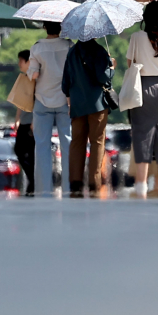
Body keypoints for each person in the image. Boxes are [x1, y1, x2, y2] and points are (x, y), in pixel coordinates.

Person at [125, 1, 158, 197]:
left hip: (142, 88)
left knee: (142, 135)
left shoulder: (136, 37)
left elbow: (130, 64)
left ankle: (141, 185)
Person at [62, 38, 114, 196]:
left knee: (77, 142)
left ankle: (75, 182)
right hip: (97, 104)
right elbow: (103, 77)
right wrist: (111, 67)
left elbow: (65, 83)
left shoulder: (72, 52)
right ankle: (94, 181)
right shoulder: (99, 51)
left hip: (77, 105)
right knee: (97, 142)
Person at [27, 21, 72, 196]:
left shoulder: (37, 48)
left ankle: (43, 189)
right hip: (65, 100)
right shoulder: (69, 46)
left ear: (45, 27)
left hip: (42, 100)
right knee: (67, 143)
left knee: (42, 145)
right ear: (61, 28)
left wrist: (31, 72)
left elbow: (34, 73)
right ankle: (69, 187)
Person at [14, 50, 35, 195]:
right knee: (20, 150)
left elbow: (38, 102)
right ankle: (32, 178)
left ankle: (33, 180)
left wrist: (35, 120)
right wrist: (17, 119)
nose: (19, 64)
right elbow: (20, 102)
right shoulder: (23, 79)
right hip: (24, 121)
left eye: (21, 61)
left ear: (28, 62)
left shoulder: (35, 79)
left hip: (32, 122)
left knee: (29, 152)